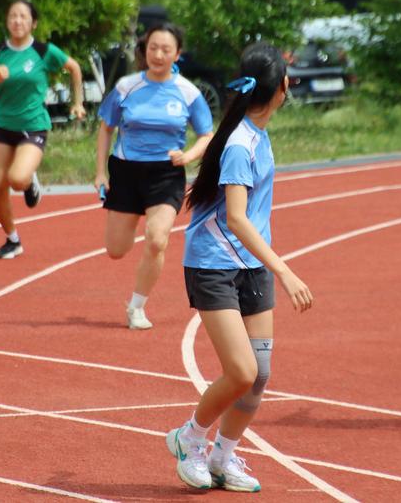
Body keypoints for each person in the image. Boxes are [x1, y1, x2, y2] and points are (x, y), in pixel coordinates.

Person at [165, 42, 313, 491]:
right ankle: (190, 437)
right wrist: (284, 270)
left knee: (259, 376)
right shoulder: (239, 144)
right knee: (242, 372)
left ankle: (222, 456)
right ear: (282, 86)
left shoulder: (257, 135)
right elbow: (236, 218)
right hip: (214, 265)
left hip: (250, 265)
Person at [94, 22, 213, 330]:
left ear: (177, 54)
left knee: (157, 239)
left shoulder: (187, 92)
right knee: (116, 250)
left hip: (166, 173)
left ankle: (136, 307)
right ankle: (131, 219)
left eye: (166, 49)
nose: (158, 55)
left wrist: (188, 156)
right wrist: (100, 173)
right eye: (153, 48)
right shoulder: (127, 86)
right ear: (144, 50)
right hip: (126, 171)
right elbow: (106, 128)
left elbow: (206, 135)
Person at [0, 0, 86, 259]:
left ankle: (29, 181)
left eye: (23, 16)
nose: (17, 21)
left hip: (33, 126)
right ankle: (12, 240)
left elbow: (74, 67)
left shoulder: (43, 51)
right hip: (2, 126)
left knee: (17, 179)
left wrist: (78, 102)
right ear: (7, 21)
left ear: (33, 23)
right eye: (12, 16)